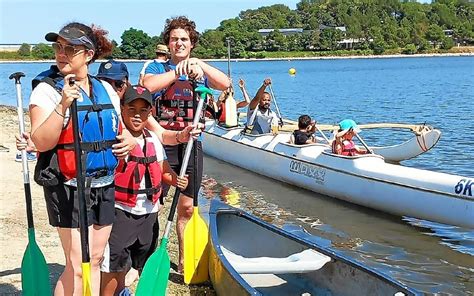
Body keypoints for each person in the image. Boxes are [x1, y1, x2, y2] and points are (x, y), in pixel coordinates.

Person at [28, 22, 135, 295]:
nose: (61, 53)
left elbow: (118, 130)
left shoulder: (106, 90)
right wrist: (63, 105)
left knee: (96, 260)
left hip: (104, 183)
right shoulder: (47, 90)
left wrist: (128, 141)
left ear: (88, 54)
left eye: (70, 49)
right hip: (67, 185)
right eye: (58, 47)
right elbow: (41, 141)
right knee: (76, 264)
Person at [142, 16, 230, 273]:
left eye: (184, 39)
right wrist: (176, 72)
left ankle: (183, 259)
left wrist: (199, 65)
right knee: (155, 202)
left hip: (192, 144)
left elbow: (225, 84)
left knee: (187, 207)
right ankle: (148, 253)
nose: (179, 43)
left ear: (192, 43)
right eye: (174, 39)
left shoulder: (199, 72)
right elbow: (147, 86)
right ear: (168, 44)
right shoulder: (158, 69)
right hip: (162, 143)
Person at [101, 85, 188, 295]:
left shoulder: (153, 139)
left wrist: (177, 180)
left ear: (150, 113)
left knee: (139, 261)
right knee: (114, 265)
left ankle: (124, 290)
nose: (137, 115)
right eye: (132, 109)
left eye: (143, 110)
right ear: (122, 109)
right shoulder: (116, 137)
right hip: (121, 211)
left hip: (149, 213)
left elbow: (163, 171)